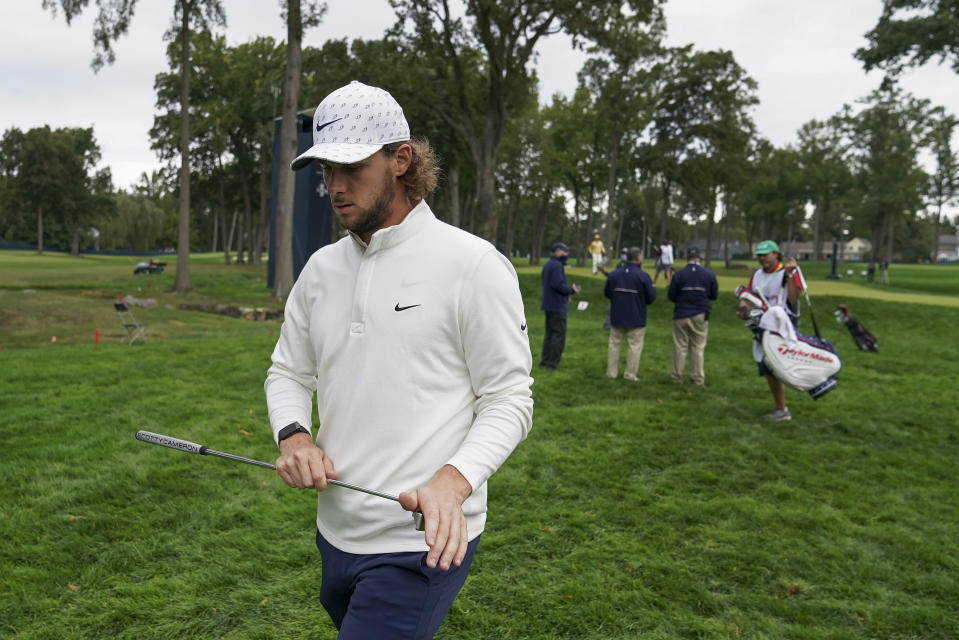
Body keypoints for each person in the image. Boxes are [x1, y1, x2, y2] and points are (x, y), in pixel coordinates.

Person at [265, 81, 534, 639]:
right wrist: (294, 435)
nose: (335, 187)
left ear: (400, 159)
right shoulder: (319, 269)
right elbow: (289, 371)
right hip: (335, 532)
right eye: (325, 172)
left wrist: (453, 482)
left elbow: (509, 399)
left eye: (352, 167)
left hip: (421, 543)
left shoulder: (473, 265)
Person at [736, 239, 801, 421]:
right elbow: (748, 296)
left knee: (773, 368)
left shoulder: (786, 272)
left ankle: (781, 409)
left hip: (782, 327)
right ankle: (780, 407)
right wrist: (743, 306)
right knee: (767, 369)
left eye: (766, 254)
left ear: (776, 254)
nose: (762, 258)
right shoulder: (757, 274)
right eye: (760, 255)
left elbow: (794, 299)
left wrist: (789, 275)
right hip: (762, 326)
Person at [667, 247, 718, 386]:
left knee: (679, 346)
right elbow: (714, 295)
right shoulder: (709, 274)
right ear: (699, 258)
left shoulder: (679, 274)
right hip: (700, 313)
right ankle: (697, 378)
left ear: (687, 257)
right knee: (698, 347)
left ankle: (677, 377)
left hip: (681, 313)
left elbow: (671, 296)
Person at [604, 246, 656, 381]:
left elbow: (607, 293)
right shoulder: (643, 276)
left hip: (617, 314)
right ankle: (630, 374)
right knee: (634, 346)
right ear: (638, 259)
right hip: (636, 315)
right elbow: (651, 298)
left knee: (614, 344)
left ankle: (611, 373)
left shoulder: (614, 274)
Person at [540, 241, 581, 369]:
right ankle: (552, 363)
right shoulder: (557, 266)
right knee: (558, 335)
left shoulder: (548, 264)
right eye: (565, 251)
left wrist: (565, 294)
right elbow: (558, 285)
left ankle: (545, 361)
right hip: (557, 306)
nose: (567, 254)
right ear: (557, 252)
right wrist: (571, 290)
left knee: (550, 335)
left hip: (549, 304)